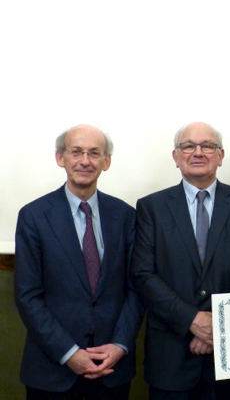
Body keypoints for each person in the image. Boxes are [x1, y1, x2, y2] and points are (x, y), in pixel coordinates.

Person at [131, 122, 230, 400]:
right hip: (170, 356)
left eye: (207, 146)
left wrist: (218, 324)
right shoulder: (151, 207)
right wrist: (192, 320)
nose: (198, 152)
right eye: (188, 146)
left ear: (220, 155)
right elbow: (143, 274)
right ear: (176, 157)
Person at [14, 124, 143, 400]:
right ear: (61, 158)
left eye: (95, 153)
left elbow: (136, 288)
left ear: (106, 162)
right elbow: (28, 296)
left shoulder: (125, 216)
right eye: (77, 152)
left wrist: (120, 345)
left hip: (112, 368)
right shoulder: (34, 216)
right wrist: (69, 353)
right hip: (52, 369)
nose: (85, 161)